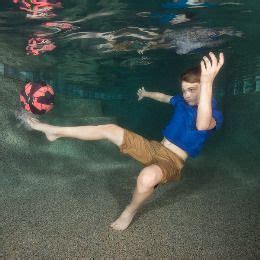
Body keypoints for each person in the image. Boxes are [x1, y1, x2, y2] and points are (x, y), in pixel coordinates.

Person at [24, 52, 224, 231]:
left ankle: (129, 211)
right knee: (109, 129)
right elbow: (163, 97)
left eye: (192, 90)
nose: (186, 95)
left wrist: (206, 84)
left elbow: (201, 123)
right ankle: (54, 132)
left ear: (205, 89)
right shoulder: (181, 100)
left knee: (146, 177)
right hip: (155, 147)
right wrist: (146, 94)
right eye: (184, 90)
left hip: (172, 162)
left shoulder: (213, 113)